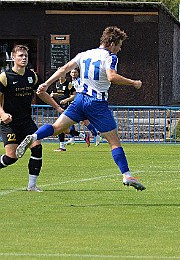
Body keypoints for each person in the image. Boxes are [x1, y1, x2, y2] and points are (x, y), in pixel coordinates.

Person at [16, 26, 145, 191]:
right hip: (96, 103)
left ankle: (34, 136)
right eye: (119, 45)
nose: (120, 49)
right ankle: (126, 175)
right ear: (112, 43)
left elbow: (63, 69)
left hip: (79, 100)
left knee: (56, 128)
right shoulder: (110, 56)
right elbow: (112, 77)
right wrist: (133, 83)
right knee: (114, 142)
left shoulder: (84, 54)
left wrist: (46, 84)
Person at [0, 45, 64, 191]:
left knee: (37, 148)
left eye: (26, 56)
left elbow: (41, 93)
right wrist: (2, 114)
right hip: (9, 123)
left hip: (26, 121)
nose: (24, 58)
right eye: (21, 55)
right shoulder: (5, 77)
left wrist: (58, 108)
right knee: (11, 157)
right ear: (13, 58)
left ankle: (32, 186)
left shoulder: (32, 76)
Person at [50, 75, 89, 151]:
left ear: (64, 75)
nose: (60, 76)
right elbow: (61, 94)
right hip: (60, 107)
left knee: (59, 127)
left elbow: (74, 95)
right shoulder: (57, 84)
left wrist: (66, 100)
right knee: (64, 129)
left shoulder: (69, 84)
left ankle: (62, 147)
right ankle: (83, 136)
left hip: (66, 107)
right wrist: (54, 95)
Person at [68, 68, 103, 146]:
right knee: (70, 120)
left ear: (78, 73)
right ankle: (72, 139)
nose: (73, 74)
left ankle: (96, 135)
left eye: (75, 72)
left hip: (80, 103)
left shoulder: (80, 81)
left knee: (85, 121)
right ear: (70, 73)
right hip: (73, 103)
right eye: (72, 72)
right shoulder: (70, 83)